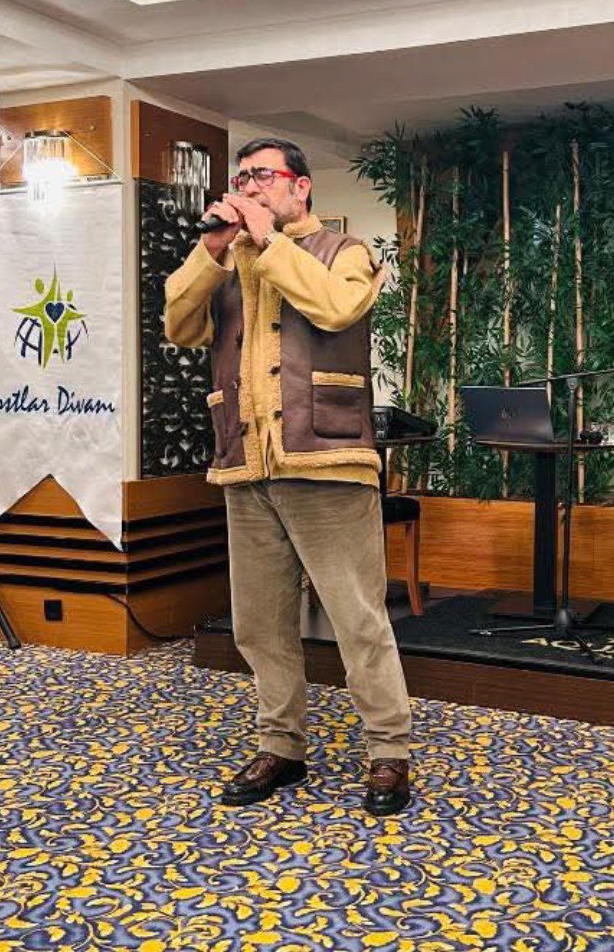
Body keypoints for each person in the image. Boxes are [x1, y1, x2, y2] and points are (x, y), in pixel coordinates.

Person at [164, 137, 412, 815]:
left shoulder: (345, 251)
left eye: (264, 176)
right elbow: (178, 323)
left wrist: (269, 241)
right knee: (259, 624)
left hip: (328, 461)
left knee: (357, 619)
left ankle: (388, 750)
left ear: (301, 186)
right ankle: (282, 744)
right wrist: (210, 251)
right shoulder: (227, 263)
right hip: (246, 464)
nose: (250, 186)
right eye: (242, 177)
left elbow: (336, 308)